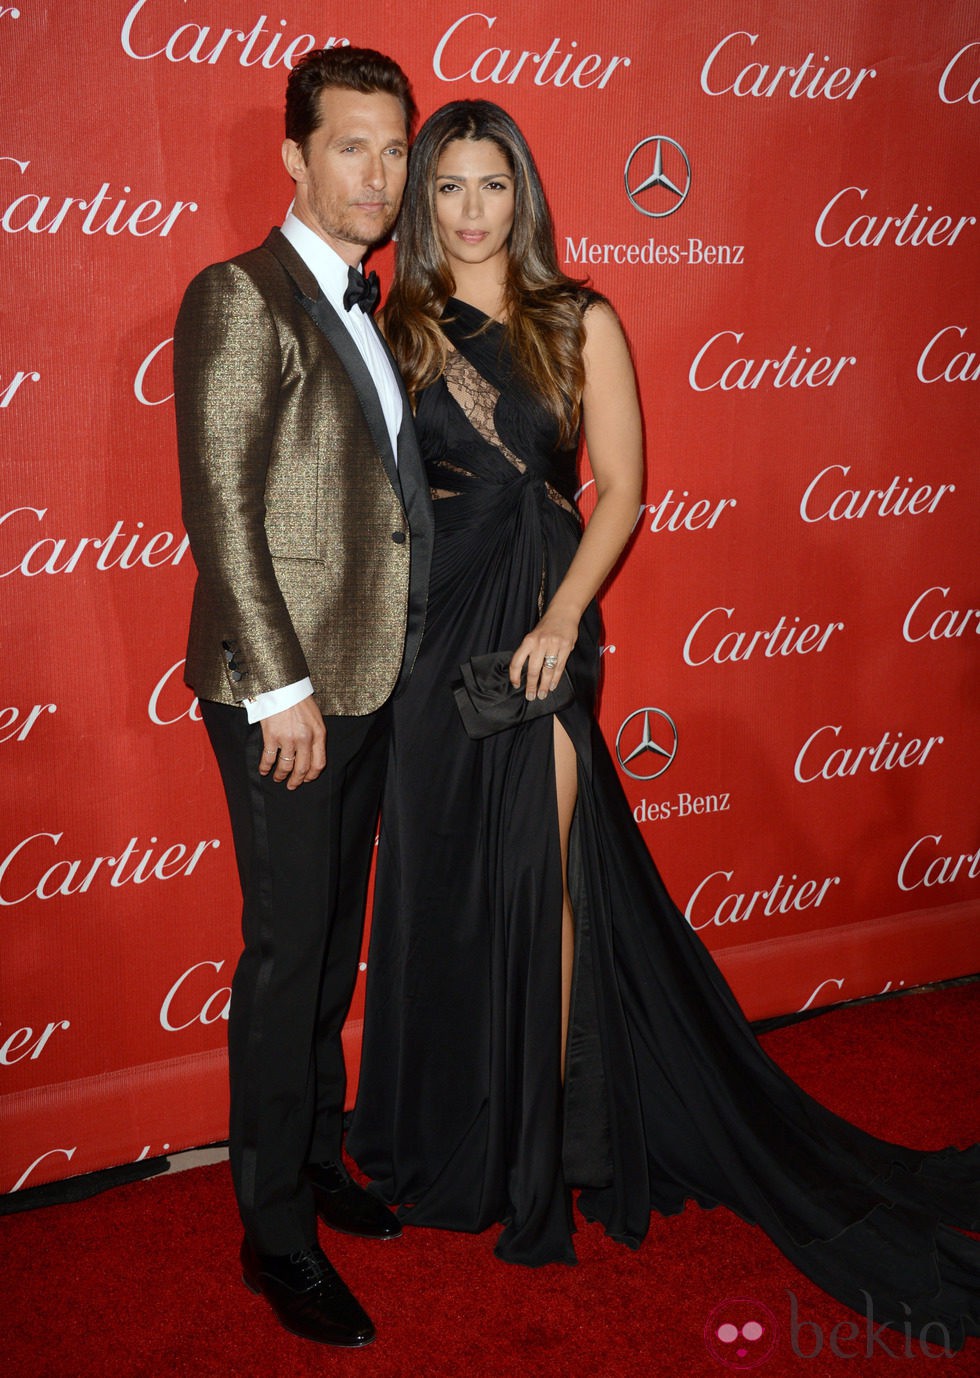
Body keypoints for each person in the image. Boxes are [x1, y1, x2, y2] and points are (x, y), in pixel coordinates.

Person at [346, 99, 980, 1347]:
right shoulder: (393, 322)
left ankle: (548, 1139)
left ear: (521, 194)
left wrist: (555, 625)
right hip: (429, 652)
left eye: (492, 185)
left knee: (547, 880)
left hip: (538, 621)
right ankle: (455, 1122)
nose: (473, 210)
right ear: (424, 203)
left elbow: (622, 488)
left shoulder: (581, 319)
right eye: (450, 189)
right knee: (449, 891)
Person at [173, 48, 433, 1348]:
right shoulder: (241, 294)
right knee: (286, 959)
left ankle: (318, 1160)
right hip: (282, 693)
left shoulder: (365, 302)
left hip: (365, 678)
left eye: (395, 151)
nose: (379, 177)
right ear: (292, 155)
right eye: (351, 147)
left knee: (333, 944)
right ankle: (274, 1231)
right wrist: (280, 691)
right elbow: (222, 511)